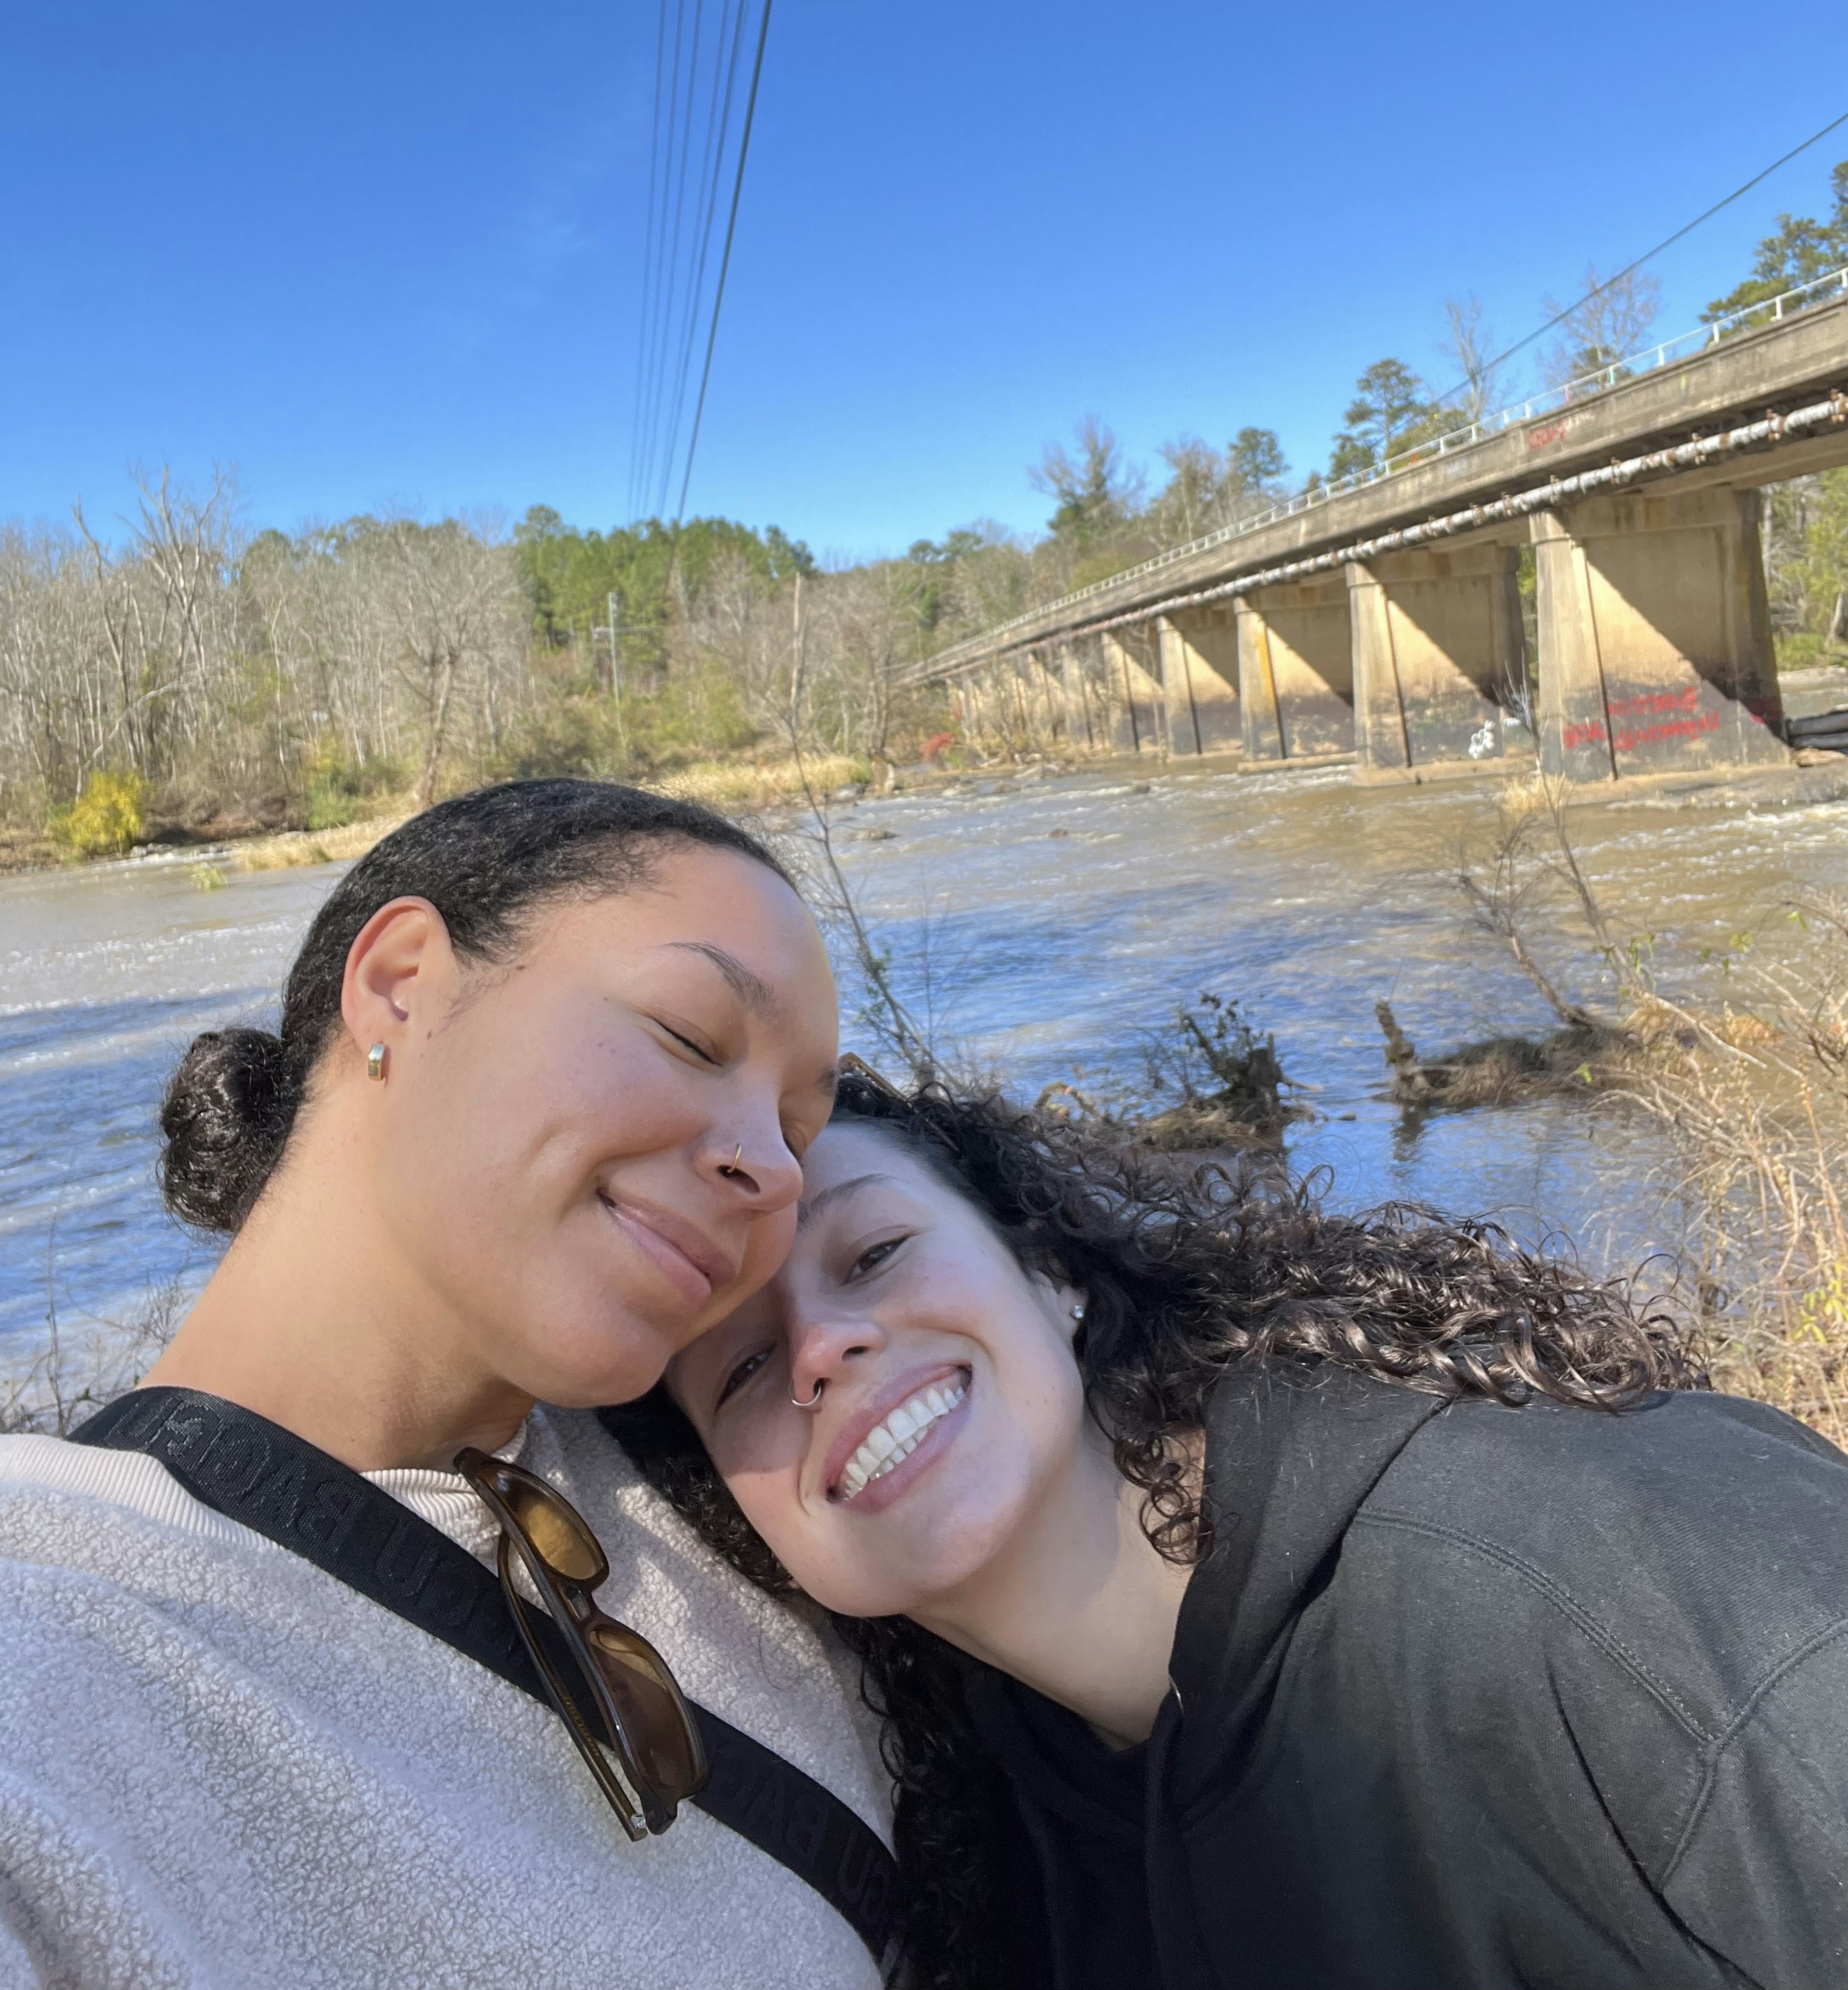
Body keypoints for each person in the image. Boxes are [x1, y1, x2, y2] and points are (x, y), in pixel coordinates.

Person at [617, 1067, 1848, 1990]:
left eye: (875, 1252)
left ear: (1052, 1267)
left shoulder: (1612, 1577)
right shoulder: (994, 1861)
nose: (823, 1349)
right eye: (740, 1370)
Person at [0, 780, 894, 1990]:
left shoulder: (754, 1449)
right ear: (404, 981)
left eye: (799, 1127)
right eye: (690, 1035)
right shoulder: (53, 1637)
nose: (774, 1172)